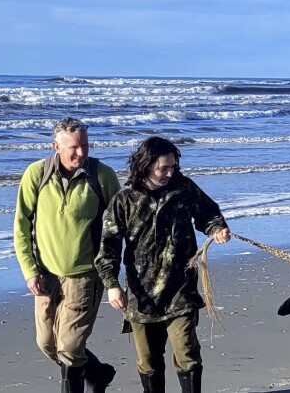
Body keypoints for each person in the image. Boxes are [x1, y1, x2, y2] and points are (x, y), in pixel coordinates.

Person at [96, 137, 231, 393]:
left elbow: (209, 213)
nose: (170, 173)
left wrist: (217, 229)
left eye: (173, 167)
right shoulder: (124, 199)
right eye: (164, 168)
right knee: (149, 361)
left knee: (187, 352)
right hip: (141, 294)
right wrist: (112, 285)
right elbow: (108, 247)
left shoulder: (183, 188)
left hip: (182, 289)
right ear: (146, 166)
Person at [14, 116, 122, 393]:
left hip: (85, 275)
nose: (81, 152)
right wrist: (29, 270)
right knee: (47, 343)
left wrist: (113, 278)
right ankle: (98, 373)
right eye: (74, 147)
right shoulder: (36, 175)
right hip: (46, 275)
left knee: (71, 347)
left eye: (85, 145)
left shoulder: (102, 176)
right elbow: (21, 224)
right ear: (56, 146)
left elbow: (120, 225)